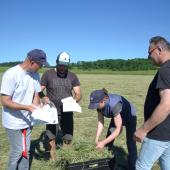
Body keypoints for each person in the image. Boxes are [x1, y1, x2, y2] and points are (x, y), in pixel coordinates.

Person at [0, 49, 48, 170]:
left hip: (27, 121)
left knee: (26, 150)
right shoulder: (11, 74)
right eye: (40, 65)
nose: (41, 68)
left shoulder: (35, 75)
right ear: (32, 62)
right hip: (13, 121)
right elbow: (5, 102)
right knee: (17, 151)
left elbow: (36, 95)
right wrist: (27, 107)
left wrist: (38, 108)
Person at [134, 36, 170, 170]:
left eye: (150, 52)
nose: (149, 57)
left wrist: (143, 130)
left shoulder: (165, 70)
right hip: (168, 132)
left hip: (158, 132)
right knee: (167, 165)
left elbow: (166, 105)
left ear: (159, 49)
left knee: (142, 166)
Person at [40, 51, 81, 160]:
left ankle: (65, 156)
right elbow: (38, 90)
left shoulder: (72, 76)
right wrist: (43, 97)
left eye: (65, 65)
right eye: (60, 65)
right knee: (51, 136)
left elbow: (78, 94)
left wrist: (74, 101)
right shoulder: (48, 74)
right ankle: (53, 158)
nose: (62, 67)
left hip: (67, 111)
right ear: (57, 62)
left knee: (68, 135)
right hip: (52, 112)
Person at [88, 88, 137, 170]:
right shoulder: (99, 105)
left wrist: (103, 142)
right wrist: (97, 139)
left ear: (103, 100)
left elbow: (118, 129)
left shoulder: (114, 105)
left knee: (131, 143)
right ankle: (107, 163)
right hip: (117, 117)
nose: (96, 107)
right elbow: (100, 122)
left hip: (130, 115)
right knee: (109, 140)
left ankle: (132, 167)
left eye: (96, 105)